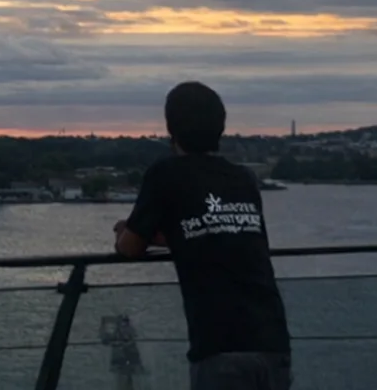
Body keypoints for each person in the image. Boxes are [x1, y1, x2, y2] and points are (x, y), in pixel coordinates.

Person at [112, 81, 292, 389]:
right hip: (273, 342)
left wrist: (122, 231)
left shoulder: (165, 174)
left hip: (220, 346)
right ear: (220, 128)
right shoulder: (243, 178)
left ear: (172, 129)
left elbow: (129, 248)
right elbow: (223, 233)